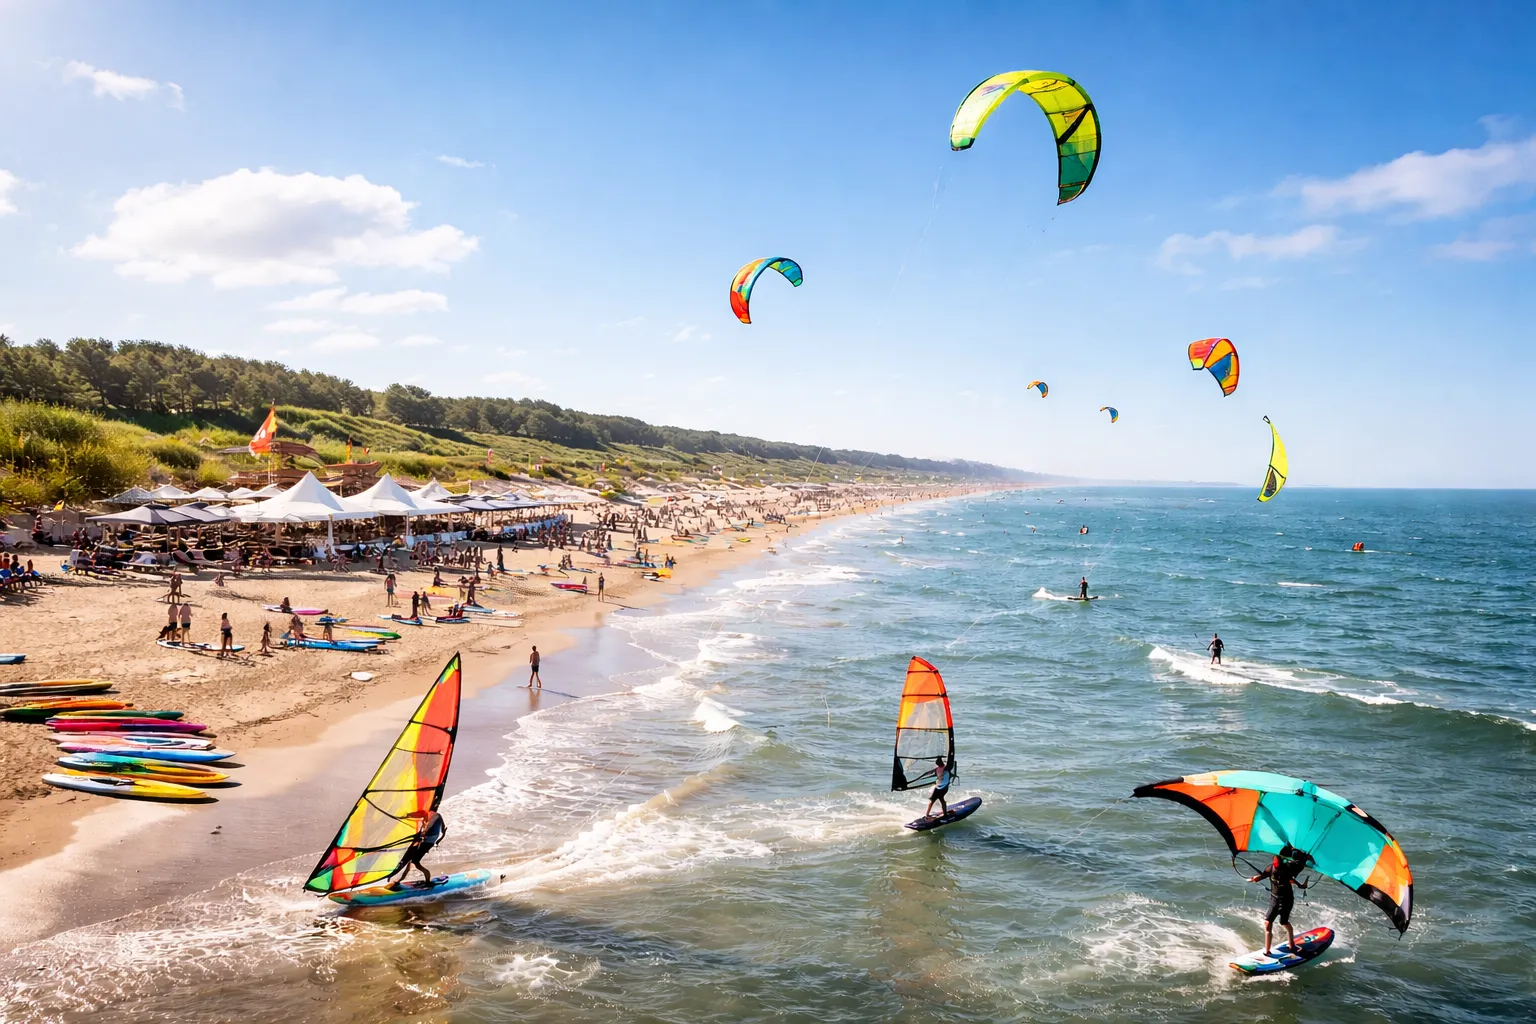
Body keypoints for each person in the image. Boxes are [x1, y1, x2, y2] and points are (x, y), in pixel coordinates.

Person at [1249, 846, 1309, 955]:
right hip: (1274, 900)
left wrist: (1300, 883)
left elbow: (1295, 873)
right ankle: (1267, 951)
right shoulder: (1271, 868)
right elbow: (1263, 875)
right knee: (1268, 923)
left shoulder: (1289, 869)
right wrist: (1256, 878)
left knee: (1284, 922)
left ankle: (1292, 945)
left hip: (1287, 900)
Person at [392, 809, 447, 888]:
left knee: (415, 862)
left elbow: (429, 826)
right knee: (411, 861)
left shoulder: (431, 815)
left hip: (426, 842)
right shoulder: (437, 815)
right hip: (428, 842)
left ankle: (428, 882)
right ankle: (399, 880)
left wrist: (423, 834)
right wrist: (439, 840)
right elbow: (443, 830)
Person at [925, 755, 952, 819]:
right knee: (942, 800)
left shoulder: (936, 769)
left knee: (933, 801)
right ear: (942, 762)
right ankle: (945, 814)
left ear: (937, 764)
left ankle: (927, 814)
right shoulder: (946, 768)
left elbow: (929, 773)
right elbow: (950, 762)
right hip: (944, 787)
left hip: (938, 787)